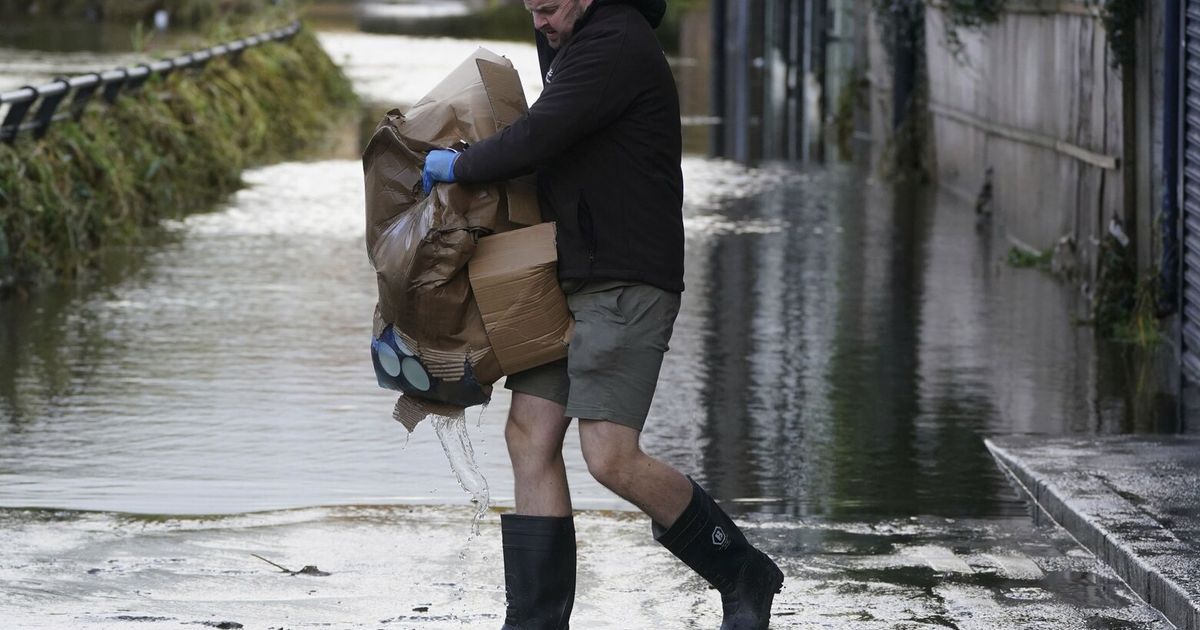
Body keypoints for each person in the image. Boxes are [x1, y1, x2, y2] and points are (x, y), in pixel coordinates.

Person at [421, 1, 783, 628]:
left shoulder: (615, 40)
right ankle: (535, 620)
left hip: (625, 277)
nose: (541, 24)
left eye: (550, 9)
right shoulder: (576, 37)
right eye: (531, 10)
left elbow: (539, 136)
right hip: (566, 274)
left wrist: (461, 165)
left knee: (610, 456)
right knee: (528, 436)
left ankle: (744, 570)